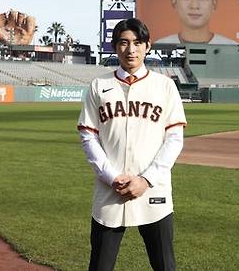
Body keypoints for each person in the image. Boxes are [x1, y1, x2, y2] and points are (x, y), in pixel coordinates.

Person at [77, 18, 187, 271]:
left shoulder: (165, 86)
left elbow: (174, 139)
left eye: (137, 43)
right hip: (109, 190)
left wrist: (146, 180)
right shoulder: (99, 85)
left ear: (147, 46)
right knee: (100, 266)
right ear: (115, 47)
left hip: (154, 190)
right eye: (124, 43)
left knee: (164, 266)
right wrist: (111, 176)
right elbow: (88, 136)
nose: (131, 49)